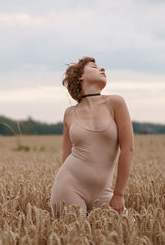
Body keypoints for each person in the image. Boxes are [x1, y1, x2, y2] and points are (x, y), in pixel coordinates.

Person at [50, 56, 134, 219]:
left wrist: (118, 194)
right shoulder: (69, 113)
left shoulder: (115, 102)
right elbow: (66, 156)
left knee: (127, 229)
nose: (102, 69)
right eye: (95, 67)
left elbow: (128, 149)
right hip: (69, 186)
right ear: (80, 77)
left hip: (104, 192)